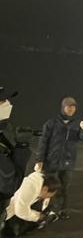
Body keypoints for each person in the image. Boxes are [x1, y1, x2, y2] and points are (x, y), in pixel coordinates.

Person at [34, 97, 83, 219]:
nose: (71, 109)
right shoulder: (51, 123)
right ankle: (41, 211)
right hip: (51, 161)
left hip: (67, 162)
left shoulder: (76, 123)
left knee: (64, 188)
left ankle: (62, 210)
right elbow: (43, 142)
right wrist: (39, 160)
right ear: (63, 107)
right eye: (68, 106)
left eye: (73, 106)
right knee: (48, 188)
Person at [0, 89, 31, 233]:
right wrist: (22, 147)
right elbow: (10, 185)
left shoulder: (4, 131)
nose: (7, 104)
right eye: (1, 101)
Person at [3, 172, 61, 237]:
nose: (47, 198)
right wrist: (39, 217)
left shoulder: (39, 181)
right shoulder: (31, 188)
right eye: (49, 196)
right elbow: (20, 211)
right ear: (45, 189)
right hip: (4, 208)